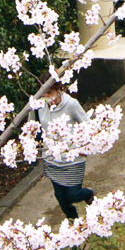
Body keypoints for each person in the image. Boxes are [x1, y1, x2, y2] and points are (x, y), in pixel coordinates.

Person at [37, 86, 96, 220]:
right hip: (52, 158)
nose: (46, 97)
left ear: (59, 90)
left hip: (72, 158)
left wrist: (84, 146)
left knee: (73, 194)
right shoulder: (40, 105)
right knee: (61, 197)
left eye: (49, 93)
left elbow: (88, 125)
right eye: (44, 93)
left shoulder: (71, 104)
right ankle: (74, 222)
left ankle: (88, 194)